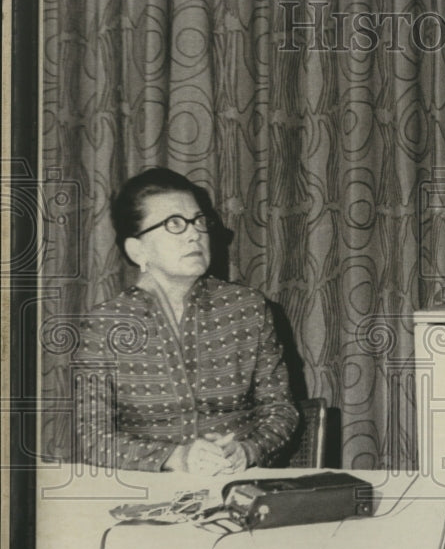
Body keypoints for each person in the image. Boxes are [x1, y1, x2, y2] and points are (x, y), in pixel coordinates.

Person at [75, 168, 298, 474]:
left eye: (199, 221)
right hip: (146, 492)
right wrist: (176, 458)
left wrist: (247, 451)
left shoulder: (247, 308)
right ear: (137, 249)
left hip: (239, 482)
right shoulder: (105, 324)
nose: (195, 233)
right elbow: (92, 439)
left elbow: (281, 411)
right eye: (174, 224)